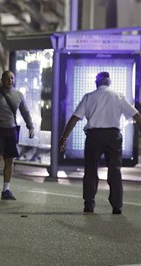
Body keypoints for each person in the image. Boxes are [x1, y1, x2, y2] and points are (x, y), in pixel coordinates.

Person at [59, 72, 141, 214]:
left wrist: (63, 138)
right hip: (113, 137)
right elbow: (137, 116)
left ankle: (89, 204)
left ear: (96, 83)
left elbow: (74, 118)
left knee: (90, 170)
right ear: (109, 82)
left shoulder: (89, 97)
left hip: (94, 137)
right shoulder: (118, 96)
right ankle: (117, 206)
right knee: (115, 171)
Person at [0, 70, 34, 200]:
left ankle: (6, 190)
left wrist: (30, 126)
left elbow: (25, 112)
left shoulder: (18, 95)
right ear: (2, 80)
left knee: (9, 160)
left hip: (11, 130)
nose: (10, 81)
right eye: (7, 78)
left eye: (12, 78)